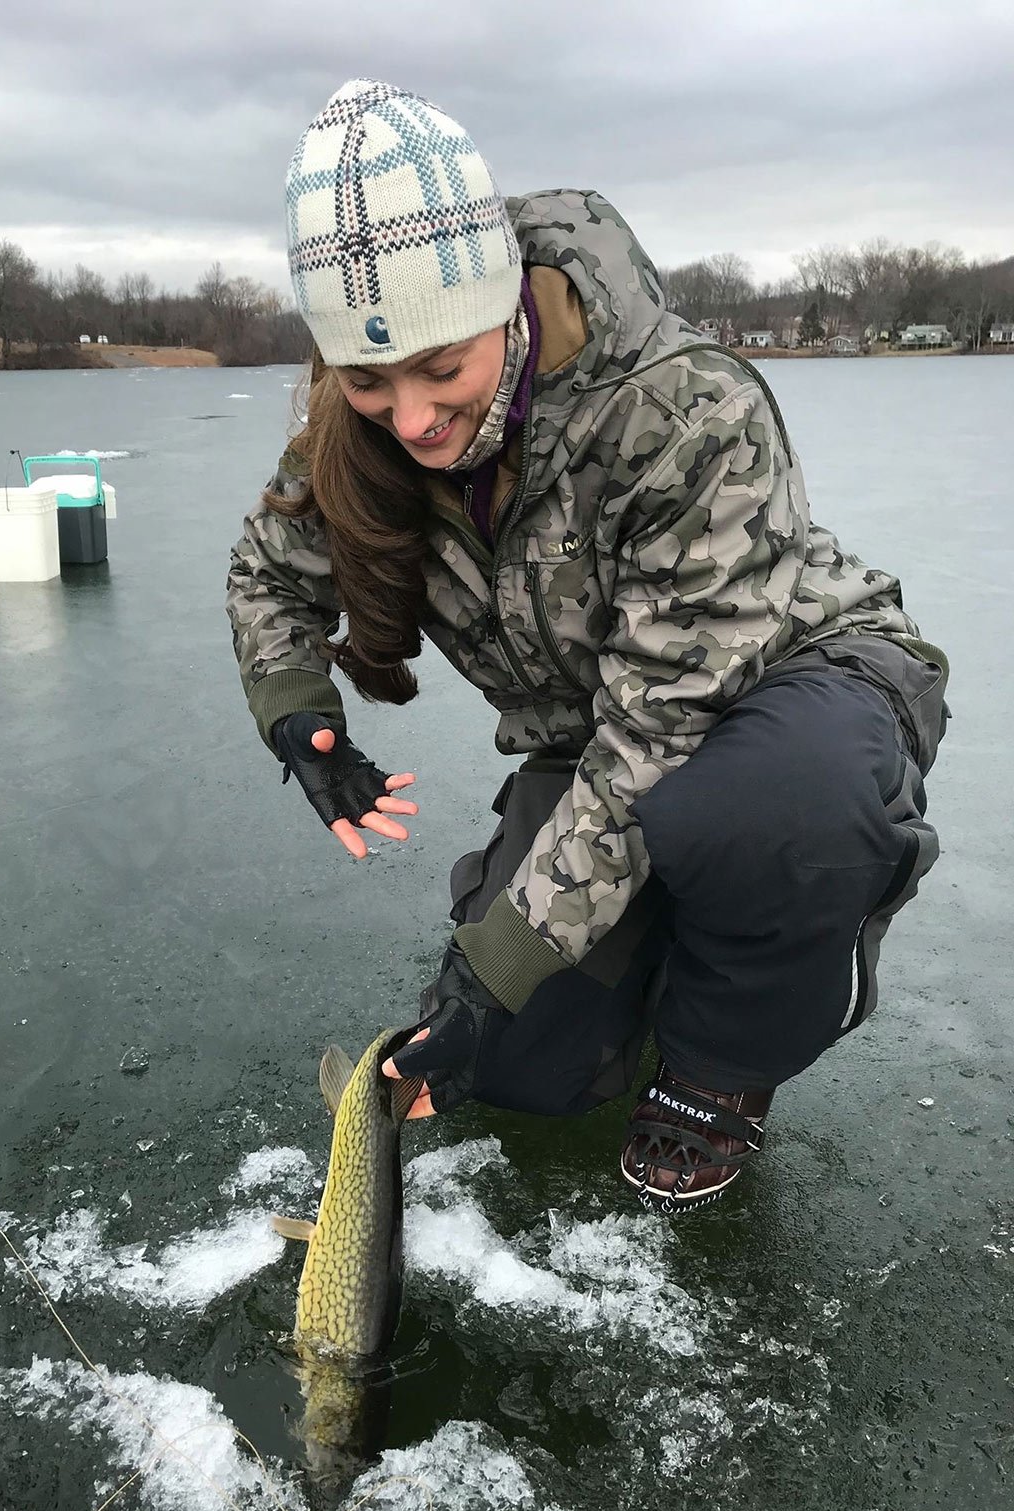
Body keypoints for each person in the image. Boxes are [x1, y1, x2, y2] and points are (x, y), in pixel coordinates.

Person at [227, 79, 948, 1214]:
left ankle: (728, 1058)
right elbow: (269, 569)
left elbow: (661, 737)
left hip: (799, 684)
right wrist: (297, 711)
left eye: (439, 369)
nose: (410, 419)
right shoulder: (359, 429)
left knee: (771, 815)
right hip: (604, 739)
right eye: (368, 379)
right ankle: (668, 953)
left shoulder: (685, 408)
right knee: (517, 1061)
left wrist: (504, 955)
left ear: (505, 305)